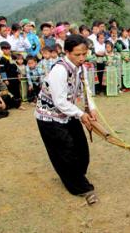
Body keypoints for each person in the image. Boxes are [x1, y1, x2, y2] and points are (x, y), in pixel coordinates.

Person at [35, 34, 99, 205]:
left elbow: (86, 90)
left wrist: (91, 108)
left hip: (69, 113)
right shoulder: (59, 70)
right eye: (77, 54)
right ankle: (81, 188)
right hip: (49, 117)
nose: (82, 58)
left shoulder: (81, 68)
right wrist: (81, 114)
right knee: (65, 152)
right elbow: (60, 101)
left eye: (84, 54)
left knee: (81, 148)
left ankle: (77, 175)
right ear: (67, 52)